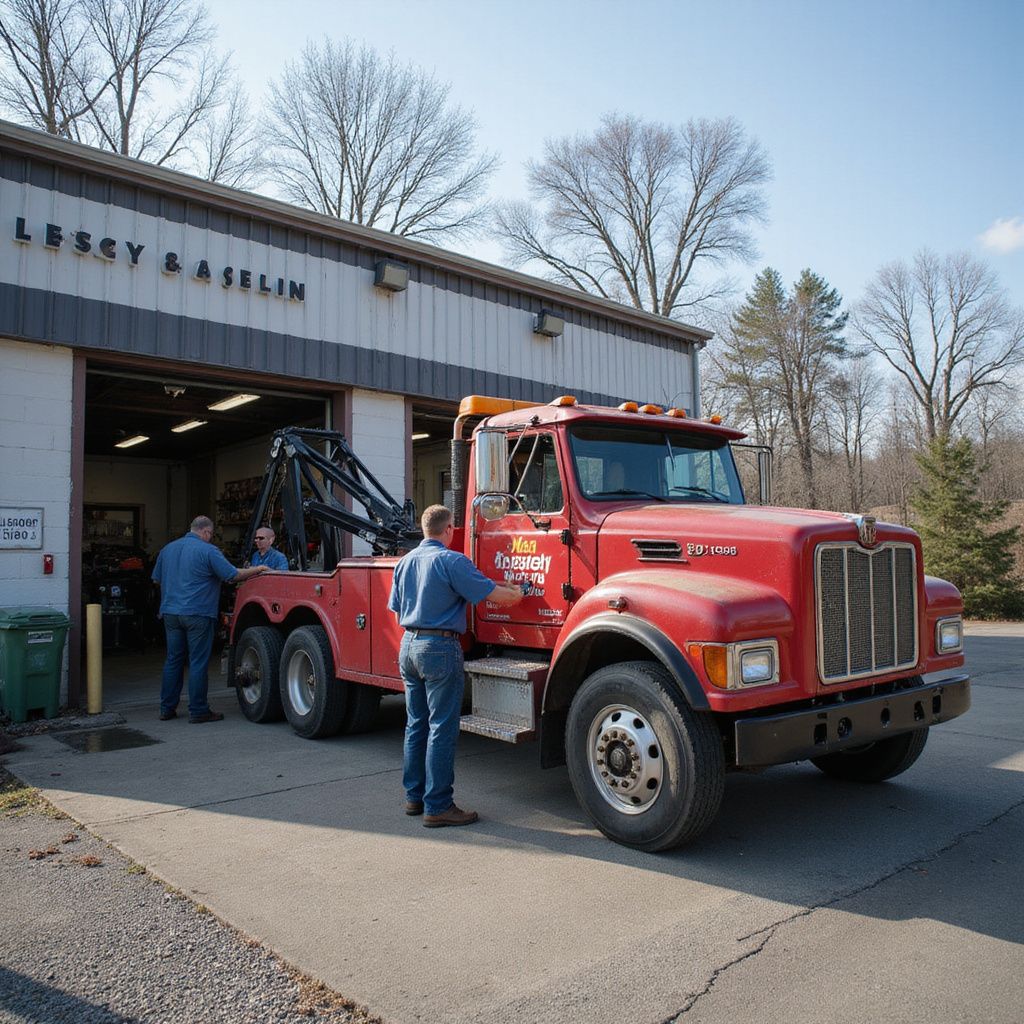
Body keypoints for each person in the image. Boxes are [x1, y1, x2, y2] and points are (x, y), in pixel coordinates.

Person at [388, 504, 523, 827]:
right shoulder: (452, 560)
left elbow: (395, 610)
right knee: (441, 729)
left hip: (408, 645)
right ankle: (438, 806)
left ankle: (414, 798)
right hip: (439, 648)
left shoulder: (404, 562)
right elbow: (491, 595)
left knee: (416, 725)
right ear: (448, 529)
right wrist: (517, 593)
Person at [152, 515, 268, 724]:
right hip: (198, 613)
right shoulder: (208, 550)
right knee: (197, 662)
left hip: (171, 613)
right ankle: (198, 710)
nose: (210, 538)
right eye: (210, 535)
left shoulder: (167, 550)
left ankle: (166, 708)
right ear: (206, 532)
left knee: (173, 660)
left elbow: (157, 580)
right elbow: (232, 575)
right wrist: (258, 569)